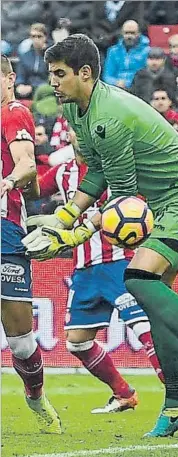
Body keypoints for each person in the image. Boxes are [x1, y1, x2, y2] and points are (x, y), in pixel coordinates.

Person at [23, 34, 178, 438]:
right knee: (155, 300)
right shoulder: (78, 111)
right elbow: (99, 172)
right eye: (50, 73)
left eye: (59, 74)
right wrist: (63, 216)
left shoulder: (110, 115)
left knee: (137, 277)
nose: (51, 82)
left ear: (84, 73)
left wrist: (72, 236)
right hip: (166, 201)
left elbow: (120, 197)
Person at [28, 155, 164, 414]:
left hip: (119, 263)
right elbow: (34, 189)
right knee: (77, 342)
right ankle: (123, 394)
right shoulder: (63, 171)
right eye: (74, 129)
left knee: (147, 332)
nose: (79, 134)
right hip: (85, 270)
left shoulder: (115, 165)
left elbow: (136, 202)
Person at [0, 55, 61, 434]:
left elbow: (26, 167)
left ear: (9, 79)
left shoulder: (13, 112)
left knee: (21, 342)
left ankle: (36, 396)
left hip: (5, 229)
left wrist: (11, 182)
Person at [103, 20, 150, 89]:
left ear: (139, 33)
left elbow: (146, 75)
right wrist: (116, 82)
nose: (129, 36)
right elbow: (107, 75)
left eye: (133, 33)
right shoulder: (112, 51)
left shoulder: (147, 51)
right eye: (126, 33)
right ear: (122, 33)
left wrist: (127, 83)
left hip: (138, 88)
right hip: (115, 87)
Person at [15, 23, 49, 99]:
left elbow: (51, 79)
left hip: (46, 92)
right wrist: (20, 85)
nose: (36, 40)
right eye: (33, 36)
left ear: (45, 37)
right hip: (27, 92)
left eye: (39, 36)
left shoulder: (52, 56)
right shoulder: (25, 56)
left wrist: (33, 88)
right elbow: (20, 75)